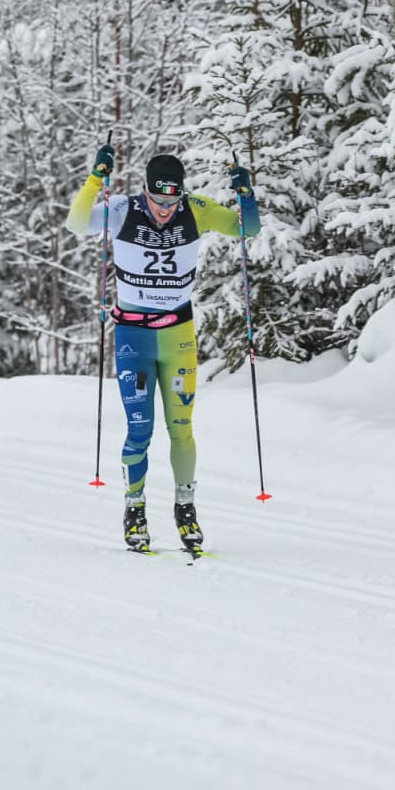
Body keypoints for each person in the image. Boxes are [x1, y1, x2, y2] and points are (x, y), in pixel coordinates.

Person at [65, 146, 261, 554]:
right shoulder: (122, 210)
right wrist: (96, 179)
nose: (165, 210)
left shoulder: (197, 210)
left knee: (182, 430)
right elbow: (76, 222)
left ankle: (185, 508)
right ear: (146, 192)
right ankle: (134, 509)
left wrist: (246, 195)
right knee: (140, 430)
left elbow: (247, 230)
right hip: (133, 336)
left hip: (178, 335)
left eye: (173, 201)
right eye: (158, 201)